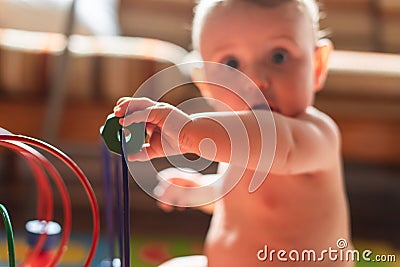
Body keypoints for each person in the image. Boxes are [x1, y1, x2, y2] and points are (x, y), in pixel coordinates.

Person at [113, 0, 353, 266]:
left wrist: (188, 132)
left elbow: (279, 144)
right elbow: (243, 202)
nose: (256, 79)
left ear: (317, 65)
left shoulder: (316, 136)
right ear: (205, 83)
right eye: (231, 63)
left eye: (279, 56)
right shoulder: (233, 141)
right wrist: (203, 192)